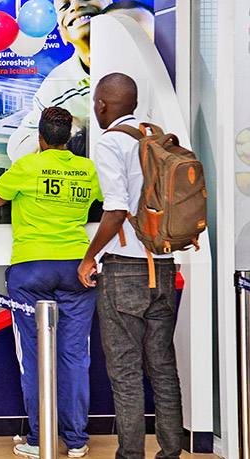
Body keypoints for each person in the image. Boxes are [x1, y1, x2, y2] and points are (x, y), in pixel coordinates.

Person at [0, 107, 102, 459]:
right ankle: (77, 439)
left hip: (31, 269)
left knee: (34, 355)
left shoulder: (26, 167)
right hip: (77, 269)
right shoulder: (87, 169)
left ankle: (39, 440)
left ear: (39, 137)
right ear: (70, 138)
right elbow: (101, 202)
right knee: (74, 354)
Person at [77, 73, 183, 459]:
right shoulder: (156, 135)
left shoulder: (111, 143)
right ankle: (171, 451)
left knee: (125, 371)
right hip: (165, 264)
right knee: (163, 367)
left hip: (125, 270)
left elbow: (117, 208)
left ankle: (131, 455)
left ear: (103, 105)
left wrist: (90, 257)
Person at [7, 0, 113, 161]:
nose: (76, 6)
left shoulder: (139, 66)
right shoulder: (55, 87)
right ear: (62, 34)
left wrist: (89, 125)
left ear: (114, 12)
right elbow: (17, 148)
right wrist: (64, 128)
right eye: (64, 6)